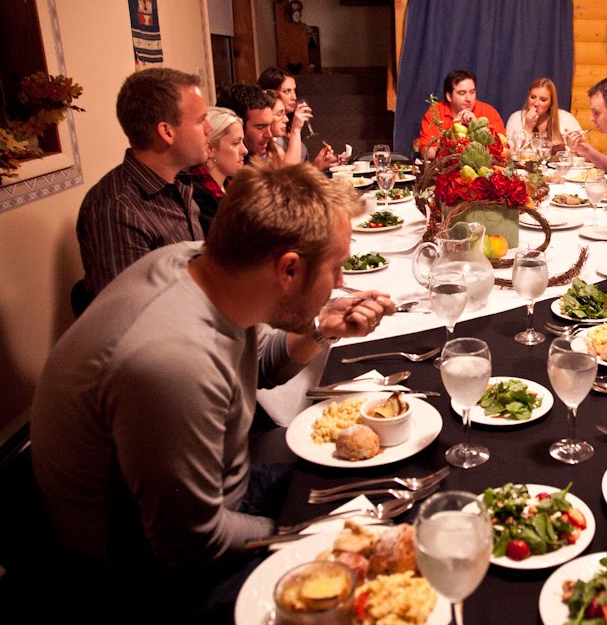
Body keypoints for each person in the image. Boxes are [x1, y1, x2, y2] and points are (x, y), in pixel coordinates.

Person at [33, 164, 396, 620]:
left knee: (387, 499)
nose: (340, 282)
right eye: (336, 267)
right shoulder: (172, 360)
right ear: (288, 269)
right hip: (150, 576)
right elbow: (191, 542)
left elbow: (259, 364)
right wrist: (309, 534)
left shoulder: (202, 264)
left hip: (225, 492)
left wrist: (322, 330)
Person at [76, 67, 209, 300]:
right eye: (200, 121)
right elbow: (130, 310)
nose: (209, 128)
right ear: (166, 132)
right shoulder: (117, 209)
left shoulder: (180, 182)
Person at [417, 70, 506, 159]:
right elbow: (426, 152)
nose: (469, 99)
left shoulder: (489, 112)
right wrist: (453, 143)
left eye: (472, 92)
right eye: (462, 93)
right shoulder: (435, 113)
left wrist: (477, 127)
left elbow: (503, 150)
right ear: (449, 97)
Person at [185, 107, 247, 234]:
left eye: (242, 142)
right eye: (236, 143)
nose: (245, 150)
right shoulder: (196, 195)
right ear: (210, 149)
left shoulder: (234, 185)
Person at [503, 77, 582, 152]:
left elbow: (581, 151)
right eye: (532, 97)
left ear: (551, 102)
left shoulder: (566, 118)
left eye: (543, 100)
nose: (536, 103)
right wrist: (528, 127)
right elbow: (510, 153)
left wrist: (565, 149)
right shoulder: (516, 118)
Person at [258, 67, 313, 164]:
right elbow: (288, 170)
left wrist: (319, 165)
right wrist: (296, 129)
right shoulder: (267, 136)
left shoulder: (287, 123)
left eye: (294, 90)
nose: (294, 97)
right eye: (287, 91)